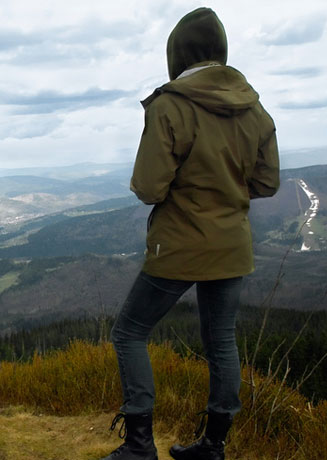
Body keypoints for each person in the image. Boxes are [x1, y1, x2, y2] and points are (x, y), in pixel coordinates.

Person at [100, 7, 279, 460]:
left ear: (177, 54)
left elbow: (148, 187)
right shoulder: (255, 109)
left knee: (130, 332)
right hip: (231, 245)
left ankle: (140, 443)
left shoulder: (170, 104)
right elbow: (266, 183)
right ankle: (213, 446)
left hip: (179, 243)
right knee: (220, 339)